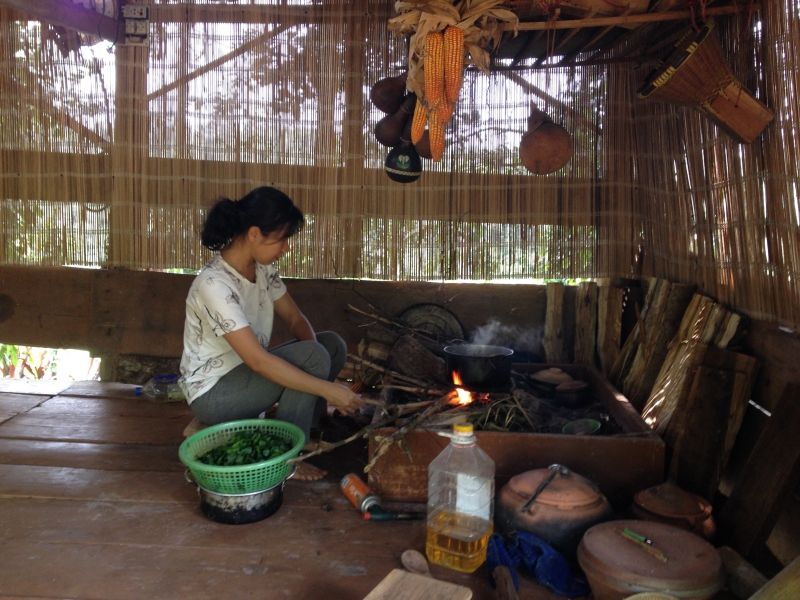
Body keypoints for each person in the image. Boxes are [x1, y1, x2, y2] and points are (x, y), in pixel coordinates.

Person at [178, 186, 364, 481]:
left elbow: (295, 318)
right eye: (282, 239)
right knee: (313, 356)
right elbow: (258, 362)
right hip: (214, 395)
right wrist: (326, 387)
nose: (286, 247)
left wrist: (318, 365)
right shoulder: (214, 284)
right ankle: (287, 455)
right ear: (254, 234)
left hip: (246, 379)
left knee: (330, 345)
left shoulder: (262, 270)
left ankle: (308, 427)